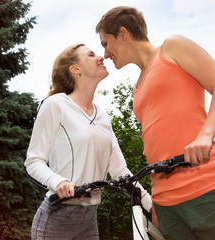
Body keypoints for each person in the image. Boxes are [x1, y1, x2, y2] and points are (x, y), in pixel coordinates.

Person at [96, 6, 215, 240]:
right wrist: (157, 201)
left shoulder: (172, 47)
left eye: (105, 43)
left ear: (123, 33)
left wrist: (205, 135)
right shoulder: (136, 89)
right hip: (167, 205)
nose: (105, 53)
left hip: (206, 189)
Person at [24, 43, 152, 240]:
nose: (100, 57)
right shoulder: (55, 105)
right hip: (57, 217)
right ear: (75, 69)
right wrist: (58, 181)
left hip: (89, 218)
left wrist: (150, 205)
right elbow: (33, 161)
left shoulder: (103, 117)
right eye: (91, 55)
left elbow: (120, 172)